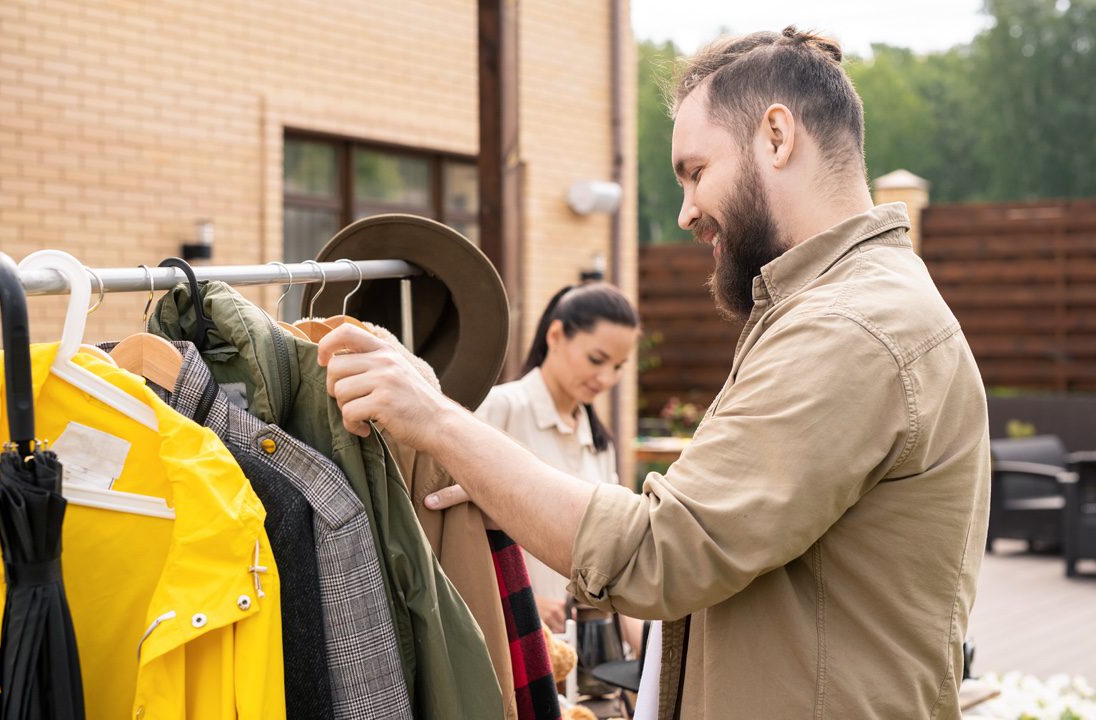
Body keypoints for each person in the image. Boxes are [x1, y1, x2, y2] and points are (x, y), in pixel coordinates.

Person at [318, 26, 989, 720]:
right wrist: (506, 489)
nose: (686, 211)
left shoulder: (848, 328)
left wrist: (434, 419)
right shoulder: (851, 307)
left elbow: (659, 552)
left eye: (696, 171)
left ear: (777, 137)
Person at [473, 282, 640, 648]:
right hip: (510, 643)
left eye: (618, 367)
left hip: (587, 654)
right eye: (596, 360)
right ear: (555, 336)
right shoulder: (499, 410)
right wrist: (523, 604)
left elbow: (614, 556)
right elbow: (456, 534)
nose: (607, 379)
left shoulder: (599, 442)